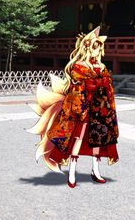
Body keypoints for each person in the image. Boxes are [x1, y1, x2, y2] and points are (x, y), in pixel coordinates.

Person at [27, 27, 119, 187]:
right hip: (83, 108)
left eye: (100, 48)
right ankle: (72, 172)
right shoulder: (78, 66)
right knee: (78, 138)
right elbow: (80, 87)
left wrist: (103, 85)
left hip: (100, 109)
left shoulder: (101, 67)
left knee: (98, 140)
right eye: (95, 47)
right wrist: (96, 84)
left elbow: (108, 85)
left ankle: (95, 170)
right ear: (87, 47)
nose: (97, 51)